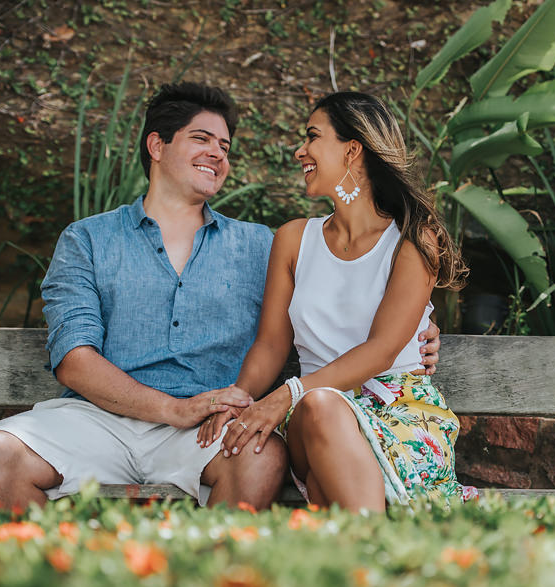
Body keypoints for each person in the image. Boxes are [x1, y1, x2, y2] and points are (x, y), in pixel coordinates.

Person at [0, 82, 441, 511]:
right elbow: (74, 358)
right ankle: (73, 585)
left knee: (258, 458)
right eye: (201, 139)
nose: (218, 154)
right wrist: (174, 408)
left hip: (207, 431)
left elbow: (336, 311)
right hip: (98, 421)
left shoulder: (260, 246)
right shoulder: (87, 240)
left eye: (225, 147)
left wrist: (417, 325)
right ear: (156, 145)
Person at [196, 92, 475, 513]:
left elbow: (383, 350)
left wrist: (287, 394)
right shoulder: (293, 240)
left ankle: (357, 558)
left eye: (312, 136)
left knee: (327, 486)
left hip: (400, 415)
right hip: (313, 418)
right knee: (320, 407)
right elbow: (272, 344)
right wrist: (240, 398)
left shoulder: (412, 241)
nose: (299, 151)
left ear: (352, 150)